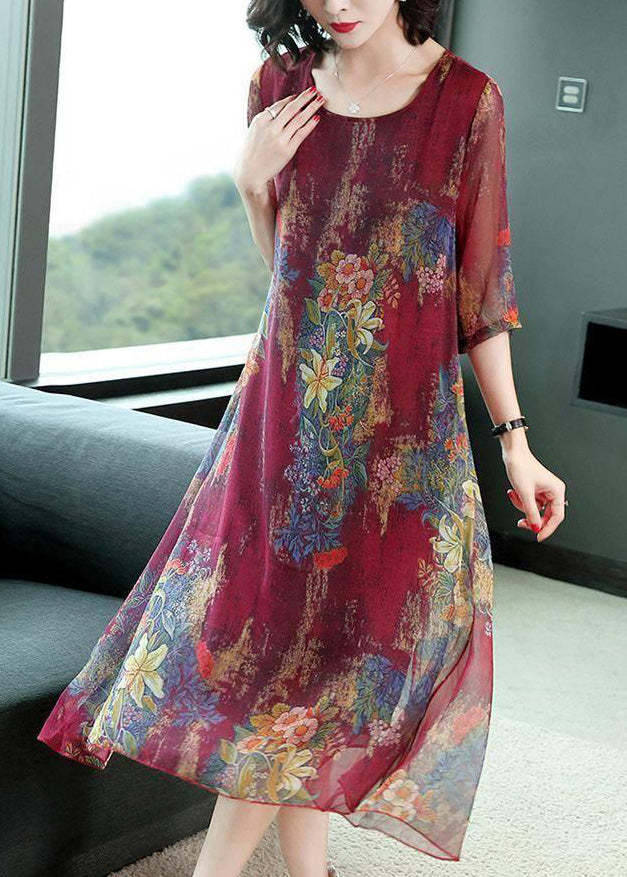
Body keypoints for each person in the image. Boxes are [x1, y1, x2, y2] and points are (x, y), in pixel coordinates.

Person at [37, 2, 568, 875]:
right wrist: (253, 186)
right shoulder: (278, 87)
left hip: (403, 434)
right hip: (287, 418)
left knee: (347, 658)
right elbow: (291, 272)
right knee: (283, 657)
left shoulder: (465, 101)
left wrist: (514, 440)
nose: (337, 4)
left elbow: (479, 294)